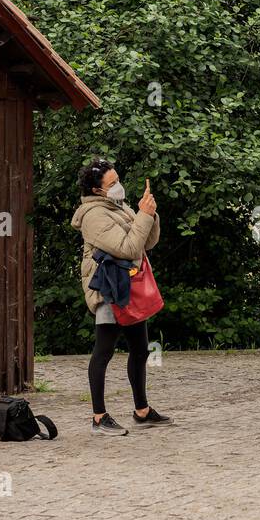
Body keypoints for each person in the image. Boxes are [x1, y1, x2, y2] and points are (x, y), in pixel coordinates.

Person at [71, 157, 172, 435]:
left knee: (140, 349)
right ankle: (98, 417)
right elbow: (127, 248)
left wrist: (150, 214)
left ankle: (142, 411)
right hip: (109, 290)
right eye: (112, 183)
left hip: (128, 288)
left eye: (117, 180)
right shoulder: (94, 216)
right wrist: (143, 216)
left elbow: (145, 243)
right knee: (103, 351)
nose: (118, 186)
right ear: (96, 190)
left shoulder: (118, 206)